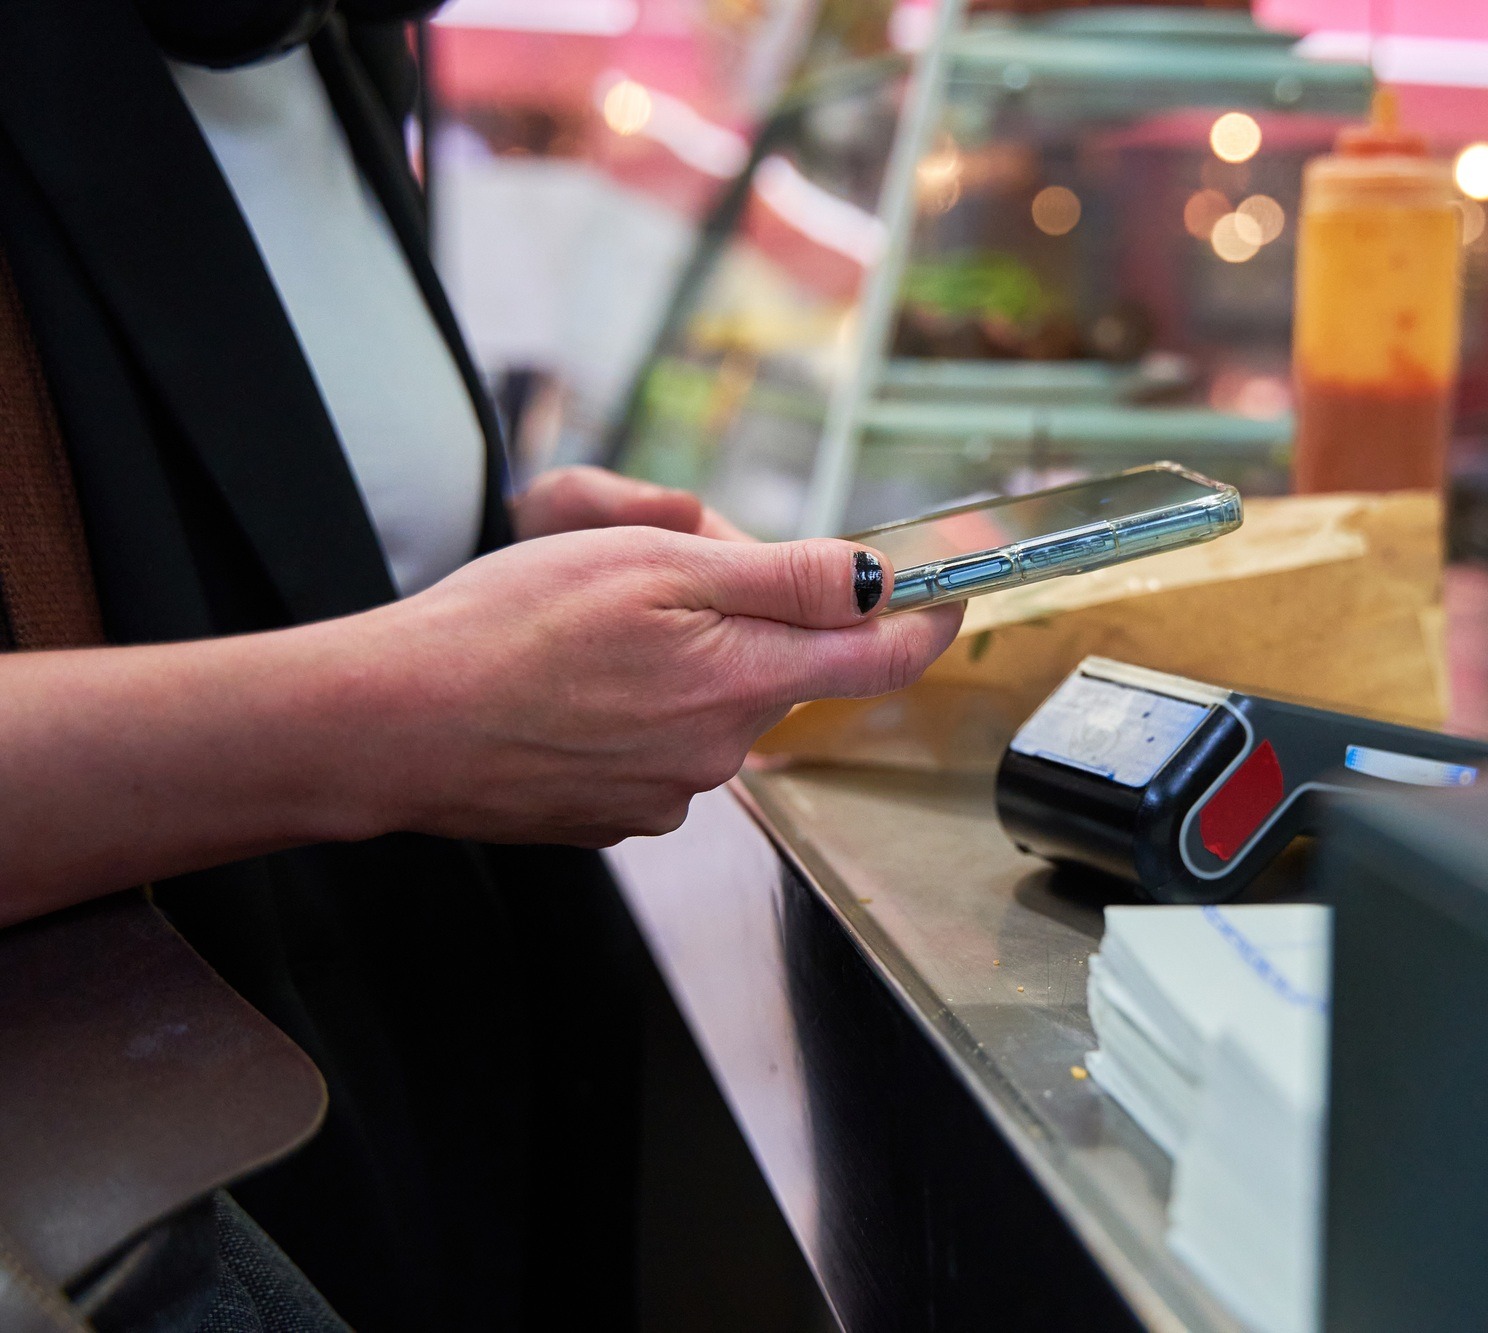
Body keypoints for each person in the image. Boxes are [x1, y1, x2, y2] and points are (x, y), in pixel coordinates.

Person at [0, 1, 961, 1328]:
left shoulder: (321, 38)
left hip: (428, 1083)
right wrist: (421, 701)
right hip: (159, 1154)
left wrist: (477, 556)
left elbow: (239, 511)